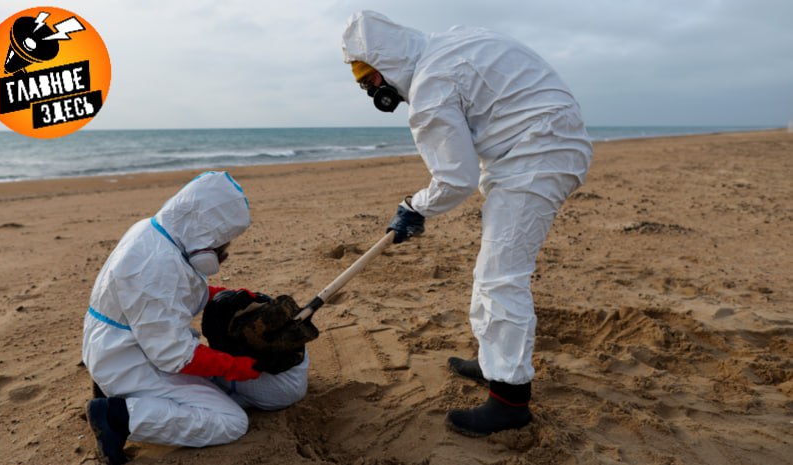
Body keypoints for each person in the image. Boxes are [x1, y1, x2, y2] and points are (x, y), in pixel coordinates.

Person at [341, 11, 593, 437]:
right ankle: (494, 362)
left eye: (371, 83)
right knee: (489, 270)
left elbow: (454, 180)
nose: (375, 93)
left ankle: (510, 400)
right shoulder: (453, 41)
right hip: (539, 146)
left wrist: (413, 209)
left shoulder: (429, 91)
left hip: (537, 157)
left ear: (385, 68)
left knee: (501, 278)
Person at [82, 171, 309, 464]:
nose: (222, 252)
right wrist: (243, 368)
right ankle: (119, 416)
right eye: (221, 243)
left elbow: (174, 296)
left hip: (122, 342)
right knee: (230, 421)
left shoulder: (157, 234)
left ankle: (119, 391)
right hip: (130, 358)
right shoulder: (155, 268)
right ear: (205, 231)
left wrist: (232, 296)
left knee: (218, 387)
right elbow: (173, 355)